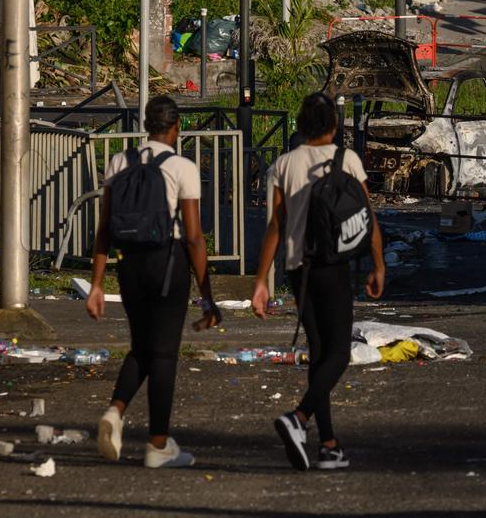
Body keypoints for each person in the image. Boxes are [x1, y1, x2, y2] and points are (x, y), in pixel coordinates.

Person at [85, 95, 222, 468]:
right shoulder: (182, 167)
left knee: (142, 347)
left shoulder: (119, 162)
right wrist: (207, 295)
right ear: (176, 128)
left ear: (146, 125)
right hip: (167, 264)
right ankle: (158, 445)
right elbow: (193, 237)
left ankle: (115, 411)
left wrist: (97, 285)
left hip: (128, 265)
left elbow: (104, 228)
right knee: (163, 354)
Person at [252, 91, 385, 471]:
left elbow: (275, 227)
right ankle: (299, 418)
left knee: (319, 351)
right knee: (339, 352)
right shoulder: (348, 160)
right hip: (334, 266)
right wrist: (378, 265)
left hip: (299, 270)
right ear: (334, 125)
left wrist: (261, 280)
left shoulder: (284, 164)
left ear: (300, 125)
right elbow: (368, 217)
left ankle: (328, 446)